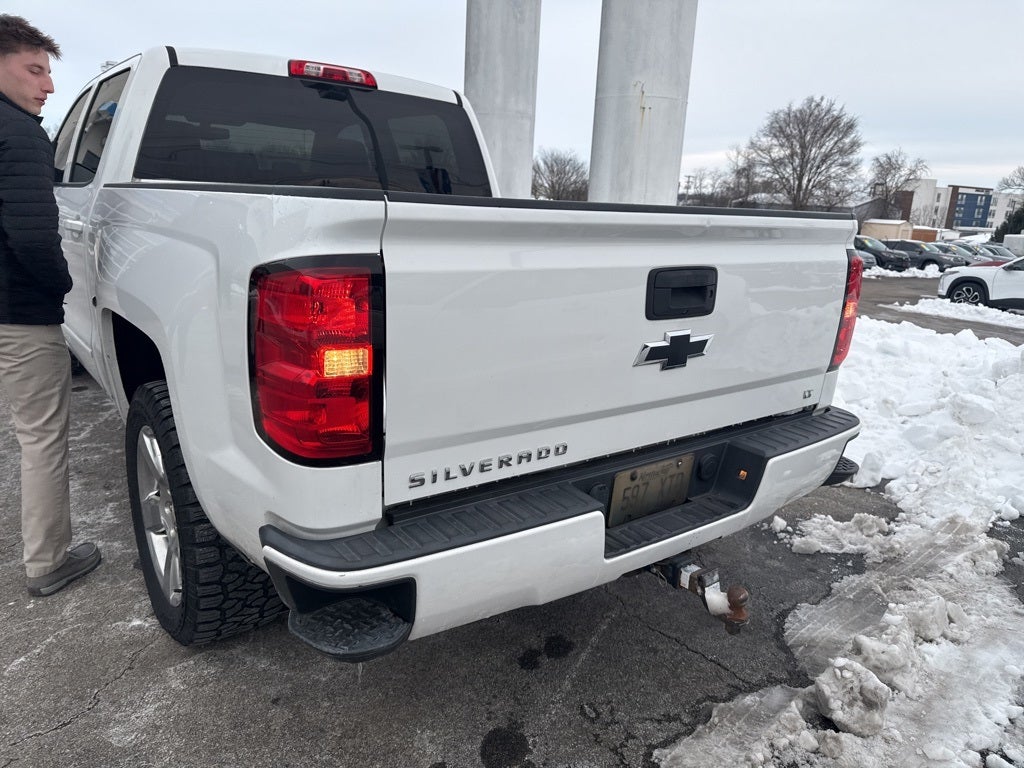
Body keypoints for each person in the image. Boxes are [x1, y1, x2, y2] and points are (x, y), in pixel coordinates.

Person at [0, 14, 100, 596]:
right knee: (41, 436)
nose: (48, 85)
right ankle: (47, 562)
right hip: (20, 311)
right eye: (34, 69)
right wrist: (62, 286)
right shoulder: (17, 132)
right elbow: (34, 234)